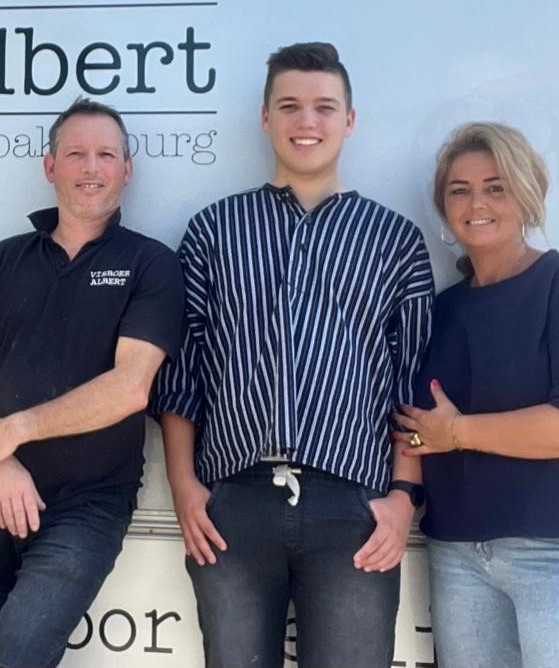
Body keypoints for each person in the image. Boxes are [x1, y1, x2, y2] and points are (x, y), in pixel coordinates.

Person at [151, 42, 434, 668]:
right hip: (233, 501)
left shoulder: (394, 239)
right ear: (265, 117)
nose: (307, 121)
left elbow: (411, 379)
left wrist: (402, 497)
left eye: (325, 107)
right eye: (290, 106)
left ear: (349, 120)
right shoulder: (214, 231)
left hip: (353, 504)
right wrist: (184, 486)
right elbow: (181, 371)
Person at [0, 97, 185, 668]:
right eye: (76, 154)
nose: (91, 167)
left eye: (106, 155)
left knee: (13, 656)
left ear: (128, 169)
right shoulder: (4, 259)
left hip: (87, 505)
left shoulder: (151, 263)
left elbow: (131, 386)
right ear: (50, 167)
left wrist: (13, 431)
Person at [394, 122, 559, 668]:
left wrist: (458, 432)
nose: (477, 203)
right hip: (456, 555)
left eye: (496, 187)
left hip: (554, 551)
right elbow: (414, 427)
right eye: (461, 190)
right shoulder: (439, 309)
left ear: (527, 193)